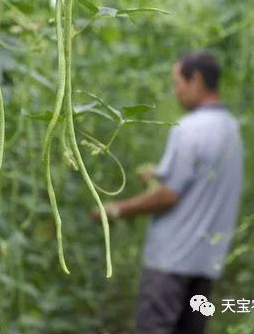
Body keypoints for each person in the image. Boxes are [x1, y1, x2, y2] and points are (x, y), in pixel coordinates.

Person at [93, 51, 244, 334]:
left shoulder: (188, 129)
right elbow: (200, 181)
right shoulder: (231, 129)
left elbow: (168, 195)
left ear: (195, 80)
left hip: (171, 261)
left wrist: (115, 210)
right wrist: (157, 176)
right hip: (206, 261)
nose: (175, 92)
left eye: (177, 83)